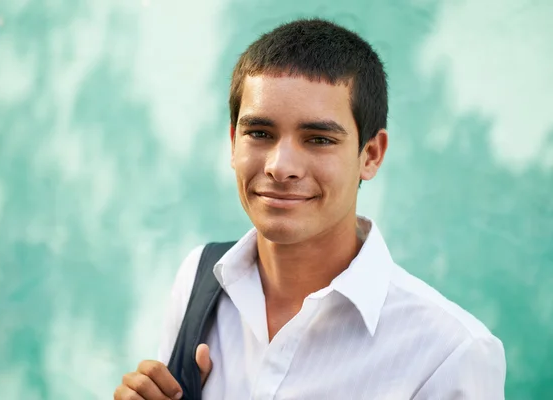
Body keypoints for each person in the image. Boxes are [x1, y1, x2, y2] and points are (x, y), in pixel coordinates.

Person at [114, 18, 506, 400]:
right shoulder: (200, 279)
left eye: (318, 139)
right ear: (233, 142)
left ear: (370, 154)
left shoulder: (451, 353)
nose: (280, 166)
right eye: (260, 133)